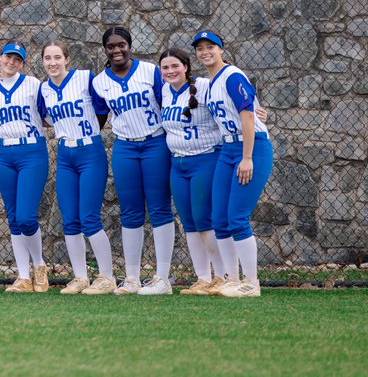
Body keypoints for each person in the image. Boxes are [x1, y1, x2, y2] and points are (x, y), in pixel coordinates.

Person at [90, 26, 174, 295]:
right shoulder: (100, 81)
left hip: (155, 142)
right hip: (125, 147)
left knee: (160, 208)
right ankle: (132, 277)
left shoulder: (150, 71)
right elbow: (99, 117)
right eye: (111, 46)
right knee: (130, 211)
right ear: (105, 50)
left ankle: (162, 278)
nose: (117, 50)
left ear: (129, 45)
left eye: (121, 44)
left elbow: (170, 101)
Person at [193, 29, 274, 298]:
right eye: (200, 48)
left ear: (221, 49)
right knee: (219, 218)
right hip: (228, 147)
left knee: (237, 217)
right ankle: (231, 278)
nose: (205, 52)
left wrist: (247, 157)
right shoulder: (211, 81)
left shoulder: (231, 75)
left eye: (210, 47)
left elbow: (248, 117)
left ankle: (251, 283)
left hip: (250, 147)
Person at [38, 40, 116, 295]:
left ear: (67, 59)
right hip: (65, 153)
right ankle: (80, 277)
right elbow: (45, 117)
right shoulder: (44, 89)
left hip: (89, 150)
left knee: (89, 218)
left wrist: (91, 131)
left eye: (57, 57)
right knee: (70, 219)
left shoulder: (84, 78)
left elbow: (101, 110)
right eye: (48, 58)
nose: (52, 62)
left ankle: (106, 277)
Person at [158, 45, 226, 295]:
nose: (170, 70)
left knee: (204, 219)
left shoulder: (206, 87)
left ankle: (222, 275)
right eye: (165, 67)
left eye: (175, 65)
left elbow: (233, 103)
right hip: (178, 163)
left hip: (205, 158)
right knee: (188, 222)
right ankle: (202, 278)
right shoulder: (165, 91)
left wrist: (255, 108)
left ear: (186, 67)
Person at [0, 41, 49, 293]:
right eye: (8, 57)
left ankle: (40, 265)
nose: (11, 63)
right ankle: (23, 276)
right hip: (3, 151)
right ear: (0, 58)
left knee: (25, 215)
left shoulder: (33, 85)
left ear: (23, 63)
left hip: (31, 150)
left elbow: (48, 115)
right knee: (12, 217)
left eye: (17, 59)